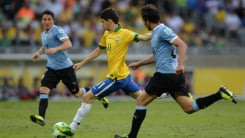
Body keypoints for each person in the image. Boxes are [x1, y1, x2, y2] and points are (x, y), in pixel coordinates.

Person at [114, 4, 238, 138]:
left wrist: (180, 64)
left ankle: (131, 136)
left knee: (141, 101)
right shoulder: (157, 33)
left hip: (165, 75)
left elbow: (182, 44)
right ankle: (219, 95)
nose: (144, 24)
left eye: (144, 21)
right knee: (189, 108)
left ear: (147, 21)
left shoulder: (162, 30)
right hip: (173, 76)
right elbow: (157, 55)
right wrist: (139, 63)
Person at [65, 8, 151, 136]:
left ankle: (71, 129)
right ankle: (167, 92)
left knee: (87, 97)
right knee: (143, 98)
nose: (102, 25)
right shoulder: (106, 34)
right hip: (125, 76)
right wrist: (82, 63)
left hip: (116, 79)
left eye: (103, 22)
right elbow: (98, 50)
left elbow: (143, 37)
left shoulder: (125, 33)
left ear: (109, 21)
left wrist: (158, 31)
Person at [30, 10, 109, 127]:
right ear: (41, 21)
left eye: (49, 19)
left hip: (66, 68)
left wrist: (55, 49)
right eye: (44, 19)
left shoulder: (57, 30)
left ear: (53, 20)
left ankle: (99, 94)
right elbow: (45, 46)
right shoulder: (43, 34)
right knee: (43, 89)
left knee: (77, 93)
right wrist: (38, 52)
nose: (46, 21)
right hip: (52, 69)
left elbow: (68, 44)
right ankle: (41, 117)